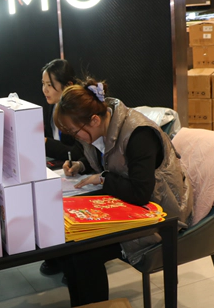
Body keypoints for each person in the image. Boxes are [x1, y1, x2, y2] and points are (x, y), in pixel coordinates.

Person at [53, 78, 193, 307]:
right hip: (130, 203)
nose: (75, 137)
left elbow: (140, 192)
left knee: (83, 252)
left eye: (75, 132)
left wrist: (102, 178)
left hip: (161, 214)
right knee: (68, 241)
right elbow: (111, 159)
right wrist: (81, 165)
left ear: (94, 120)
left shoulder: (139, 135)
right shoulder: (102, 125)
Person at [40, 58, 85, 276]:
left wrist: (46, 144)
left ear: (67, 85)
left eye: (50, 85)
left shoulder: (77, 110)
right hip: (65, 167)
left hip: (84, 169)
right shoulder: (54, 105)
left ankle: (69, 260)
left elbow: (78, 151)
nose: (45, 90)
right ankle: (55, 254)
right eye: (43, 84)